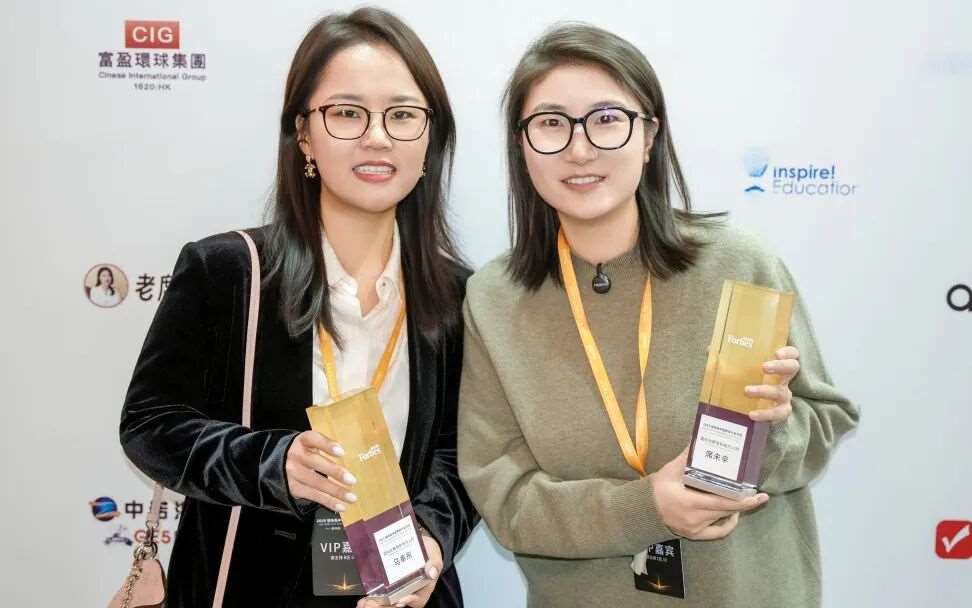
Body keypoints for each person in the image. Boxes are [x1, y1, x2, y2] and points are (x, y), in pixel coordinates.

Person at [457, 22, 859, 607]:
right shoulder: (494, 299)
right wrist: (646, 508)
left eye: (606, 119)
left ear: (649, 136)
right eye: (550, 123)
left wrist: (772, 433)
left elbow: (825, 420)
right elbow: (505, 496)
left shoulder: (737, 263)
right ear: (521, 145)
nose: (579, 148)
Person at [120, 8, 476, 607]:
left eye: (402, 114)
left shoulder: (459, 294)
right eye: (347, 113)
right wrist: (273, 463)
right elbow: (149, 425)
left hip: (398, 592)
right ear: (304, 134)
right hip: (247, 586)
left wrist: (432, 537)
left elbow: (462, 452)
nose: (377, 136)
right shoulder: (228, 271)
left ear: (430, 138)